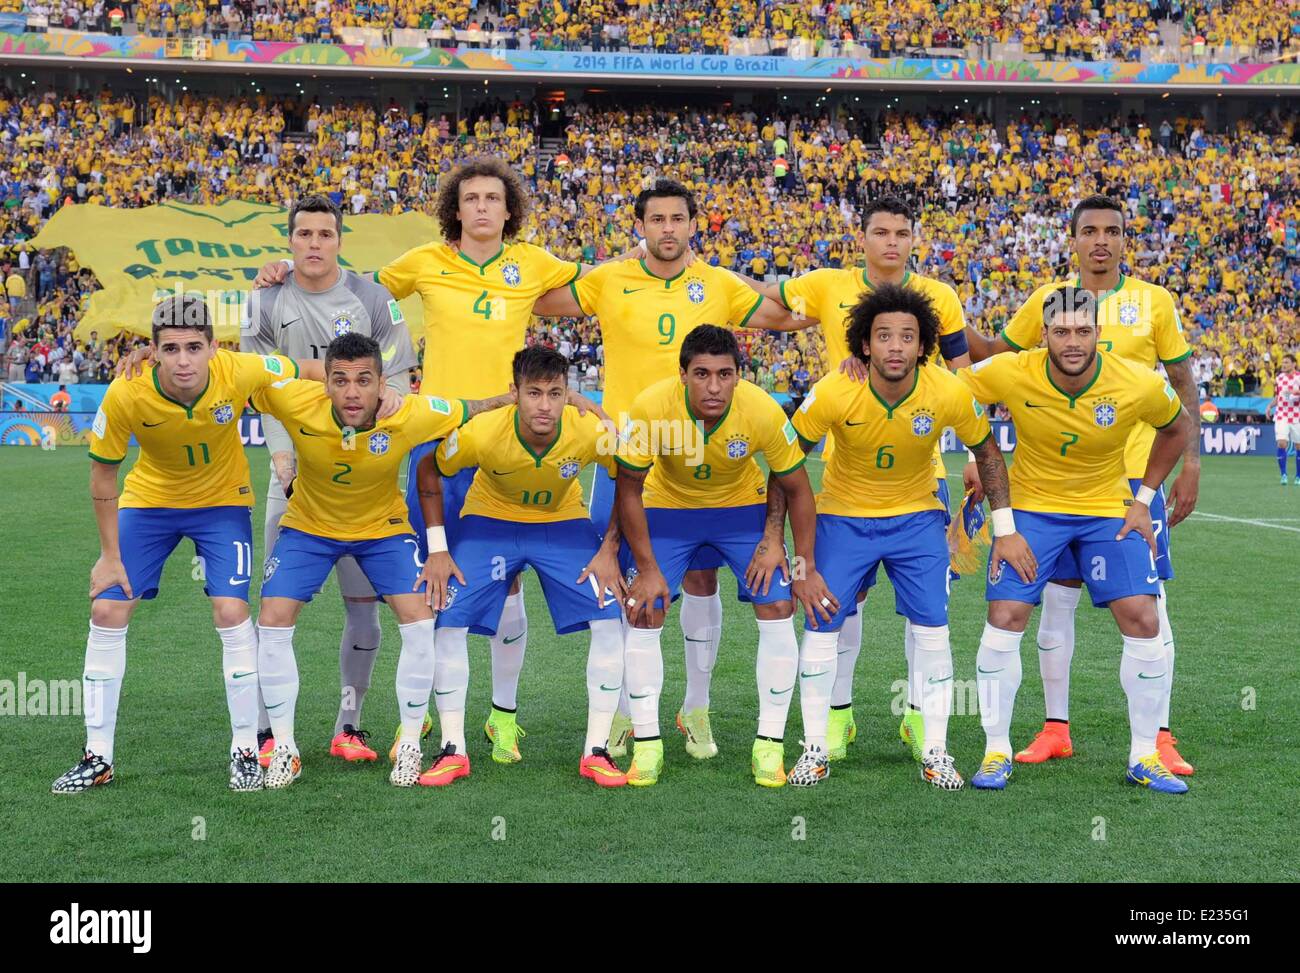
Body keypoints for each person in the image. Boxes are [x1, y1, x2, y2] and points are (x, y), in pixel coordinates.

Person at [254, 157, 618, 766]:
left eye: (492, 198)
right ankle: (422, 715)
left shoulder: (533, 264)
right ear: (456, 207)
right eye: (470, 197)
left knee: (509, 587)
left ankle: (503, 717)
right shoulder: (423, 261)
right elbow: (354, 292)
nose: (481, 207)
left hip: (508, 428)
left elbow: (591, 290)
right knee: (429, 583)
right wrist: (291, 269)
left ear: (509, 210)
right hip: (439, 437)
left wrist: (574, 390)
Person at [534, 178, 814, 762]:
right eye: (655, 219)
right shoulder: (609, 278)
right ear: (640, 226)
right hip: (629, 455)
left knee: (702, 582)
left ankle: (695, 708)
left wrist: (847, 331)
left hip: (707, 459)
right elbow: (534, 299)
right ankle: (618, 717)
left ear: (693, 225)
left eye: (677, 218)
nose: (667, 228)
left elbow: (789, 315)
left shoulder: (720, 285)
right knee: (620, 590)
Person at [964, 195, 1201, 776]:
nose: (1071, 339)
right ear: (1046, 331)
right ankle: (1029, 737)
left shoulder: (1151, 316)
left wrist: (1158, 488)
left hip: (1118, 497)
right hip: (1040, 501)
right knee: (1038, 611)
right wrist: (979, 453)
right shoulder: (1036, 320)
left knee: (1147, 612)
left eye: (1112, 231)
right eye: (1060, 330)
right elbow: (981, 372)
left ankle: (1152, 746)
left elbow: (1178, 398)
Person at [741, 195, 976, 766]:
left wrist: (971, 448)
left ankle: (920, 722)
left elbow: (963, 372)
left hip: (922, 478)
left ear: (913, 239)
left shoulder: (940, 297)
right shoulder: (825, 285)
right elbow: (761, 303)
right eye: (880, 232)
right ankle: (836, 718)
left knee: (926, 607)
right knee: (842, 603)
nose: (891, 242)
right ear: (862, 237)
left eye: (901, 232)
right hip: (847, 476)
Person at [52, 294, 312, 795]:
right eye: (170, 349)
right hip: (149, 503)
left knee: (231, 609)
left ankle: (243, 748)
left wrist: (376, 382)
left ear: (215, 348)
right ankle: (97, 756)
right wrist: (109, 557)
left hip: (222, 503)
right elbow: (103, 474)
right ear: (153, 351)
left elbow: (305, 366)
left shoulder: (240, 370)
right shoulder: (126, 392)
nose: (184, 360)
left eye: (195, 347)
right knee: (107, 611)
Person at [248, 333, 512, 789]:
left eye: (364, 381)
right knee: (271, 619)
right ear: (325, 383)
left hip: (381, 530)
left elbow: (475, 407)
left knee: (420, 617)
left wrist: (525, 395)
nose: (352, 393)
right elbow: (235, 375)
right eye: (340, 380)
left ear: (382, 384)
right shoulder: (294, 399)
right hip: (309, 526)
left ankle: (410, 743)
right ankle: (285, 746)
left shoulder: (410, 413)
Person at [786, 284, 1016, 789]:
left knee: (933, 629)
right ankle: (814, 748)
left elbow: (990, 453)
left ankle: (936, 750)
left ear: (922, 345)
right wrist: (787, 552)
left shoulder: (948, 390)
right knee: (823, 625)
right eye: (883, 335)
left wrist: (1006, 530)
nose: (895, 346)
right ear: (865, 345)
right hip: (843, 519)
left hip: (917, 520)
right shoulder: (833, 390)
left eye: (906, 337)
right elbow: (785, 465)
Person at [241, 193, 419, 768]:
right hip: (293, 474)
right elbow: (258, 384)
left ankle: (350, 724)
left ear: (340, 240)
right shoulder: (265, 298)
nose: (314, 245)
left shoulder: (372, 297)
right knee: (274, 607)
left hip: (364, 480)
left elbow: (398, 383)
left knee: (363, 607)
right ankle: (270, 733)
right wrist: (283, 455)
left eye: (325, 234)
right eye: (304, 235)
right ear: (289, 240)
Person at [615, 325, 833, 788]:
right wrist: (649, 568)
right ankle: (647, 744)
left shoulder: (760, 410)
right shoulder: (652, 407)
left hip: (740, 511)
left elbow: (797, 488)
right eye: (701, 374)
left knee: (777, 605)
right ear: (683, 375)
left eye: (724, 374)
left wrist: (797, 563)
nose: (714, 386)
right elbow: (628, 489)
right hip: (669, 509)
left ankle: (769, 747)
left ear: (739, 375)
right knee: (644, 608)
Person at [414, 347, 627, 787]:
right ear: (514, 393)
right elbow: (429, 470)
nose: (544, 405)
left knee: (610, 618)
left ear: (570, 394)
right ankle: (453, 748)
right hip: (489, 521)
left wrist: (609, 548)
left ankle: (597, 750)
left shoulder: (589, 431)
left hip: (561, 523)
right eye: (533, 393)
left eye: (555, 393)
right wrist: (438, 548)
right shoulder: (483, 432)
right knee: (447, 620)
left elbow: (629, 476)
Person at [1269, 353, 1300, 485]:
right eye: (1283, 362)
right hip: (1281, 414)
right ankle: (1284, 475)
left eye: (1286, 362)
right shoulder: (1279, 378)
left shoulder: (1299, 378)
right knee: (1282, 443)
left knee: (1299, 446)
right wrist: (1269, 406)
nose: (1284, 364)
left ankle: (1298, 476)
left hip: (1296, 415)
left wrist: (1294, 395)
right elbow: (1279, 396)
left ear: (1294, 364)